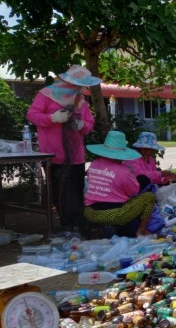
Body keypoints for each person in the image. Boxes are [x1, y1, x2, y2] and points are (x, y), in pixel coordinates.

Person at [26, 65, 98, 229]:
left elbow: (89, 125)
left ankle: (78, 224)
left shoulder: (80, 100)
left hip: (76, 155)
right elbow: (32, 115)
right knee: (59, 191)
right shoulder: (45, 94)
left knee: (77, 191)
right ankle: (66, 223)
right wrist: (52, 118)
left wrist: (82, 125)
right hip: (52, 154)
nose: (83, 89)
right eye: (81, 85)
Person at [83, 131, 156, 238]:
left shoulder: (93, 164)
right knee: (149, 197)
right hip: (114, 214)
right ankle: (141, 230)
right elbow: (133, 191)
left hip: (91, 212)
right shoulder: (125, 171)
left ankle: (99, 229)